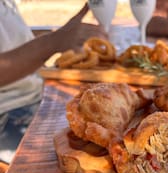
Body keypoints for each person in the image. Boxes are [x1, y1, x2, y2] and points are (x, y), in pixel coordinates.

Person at [0, 0, 107, 164]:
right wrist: (54, 41)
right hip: (8, 114)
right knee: (81, 162)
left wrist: (66, 38)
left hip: (38, 97)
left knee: (106, 135)